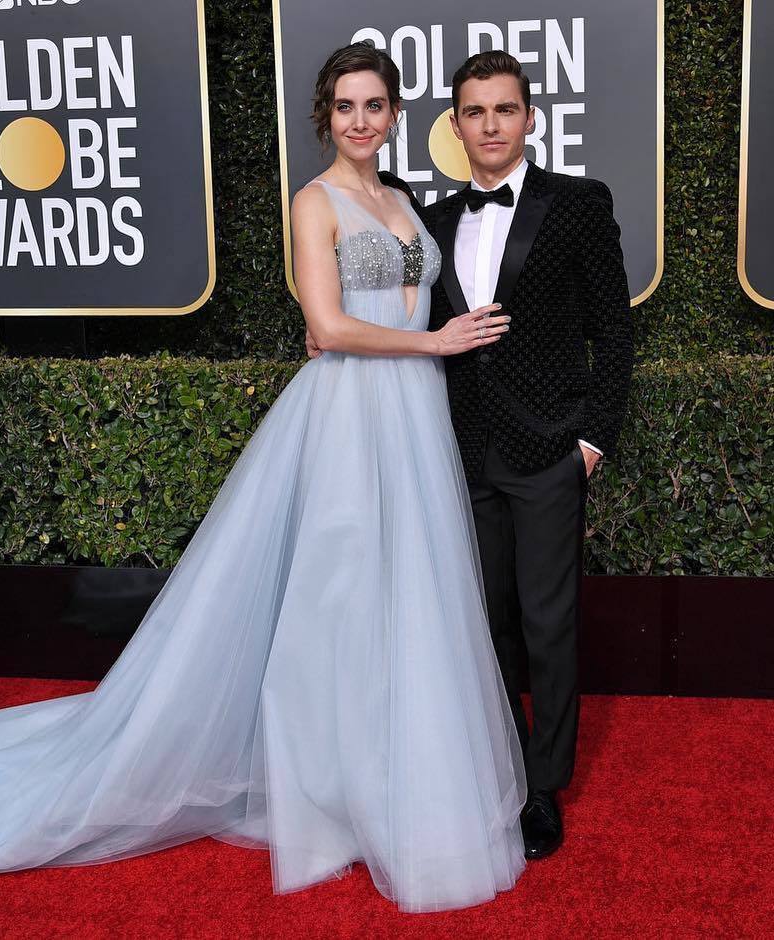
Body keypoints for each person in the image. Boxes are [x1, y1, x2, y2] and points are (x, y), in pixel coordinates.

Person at [0, 42, 526, 913]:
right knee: (337, 597)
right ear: (325, 116)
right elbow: (330, 324)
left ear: (396, 114)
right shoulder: (315, 202)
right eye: (345, 106)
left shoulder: (404, 199)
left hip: (413, 414)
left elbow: (399, 299)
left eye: (374, 105)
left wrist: (425, 344)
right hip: (351, 415)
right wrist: (430, 343)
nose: (360, 120)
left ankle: (390, 774)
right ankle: (328, 796)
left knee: (404, 593)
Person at [312, 51, 633, 861]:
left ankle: (543, 787)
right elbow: (389, 309)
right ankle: (500, 772)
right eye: (475, 112)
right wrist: (330, 336)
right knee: (482, 625)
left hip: (551, 451)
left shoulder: (579, 203)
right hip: (457, 452)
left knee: (548, 623)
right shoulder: (430, 217)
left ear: (530, 118)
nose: (490, 125)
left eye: (505, 110)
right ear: (453, 125)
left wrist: (591, 441)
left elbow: (614, 331)